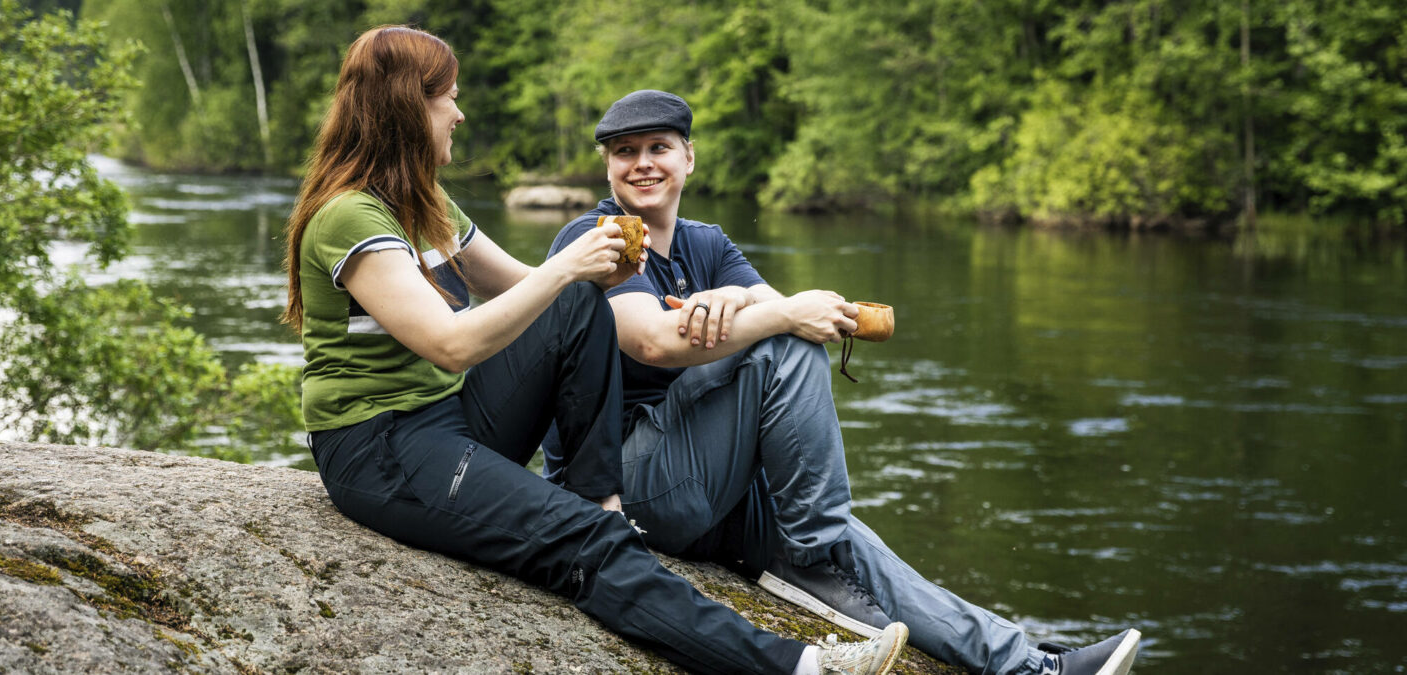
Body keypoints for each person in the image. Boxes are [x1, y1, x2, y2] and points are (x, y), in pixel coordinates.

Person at [281, 28, 910, 675]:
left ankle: (597, 497)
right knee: (588, 543)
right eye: (450, 98)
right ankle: (799, 666)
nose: (460, 114)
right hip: (381, 446)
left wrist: (598, 276)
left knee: (580, 304)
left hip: (448, 417)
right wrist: (568, 265)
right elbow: (450, 344)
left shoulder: (425, 201)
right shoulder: (349, 216)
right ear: (410, 106)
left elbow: (533, 290)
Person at [546, 90, 1142, 675]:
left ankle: (1029, 664)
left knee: (863, 553)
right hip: (627, 484)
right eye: (625, 151)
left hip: (711, 480)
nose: (643, 162)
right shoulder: (595, 235)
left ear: (689, 158)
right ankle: (809, 552)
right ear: (607, 166)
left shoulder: (707, 241)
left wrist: (737, 295)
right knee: (786, 346)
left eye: (659, 147)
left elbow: (775, 308)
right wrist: (772, 312)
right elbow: (654, 339)